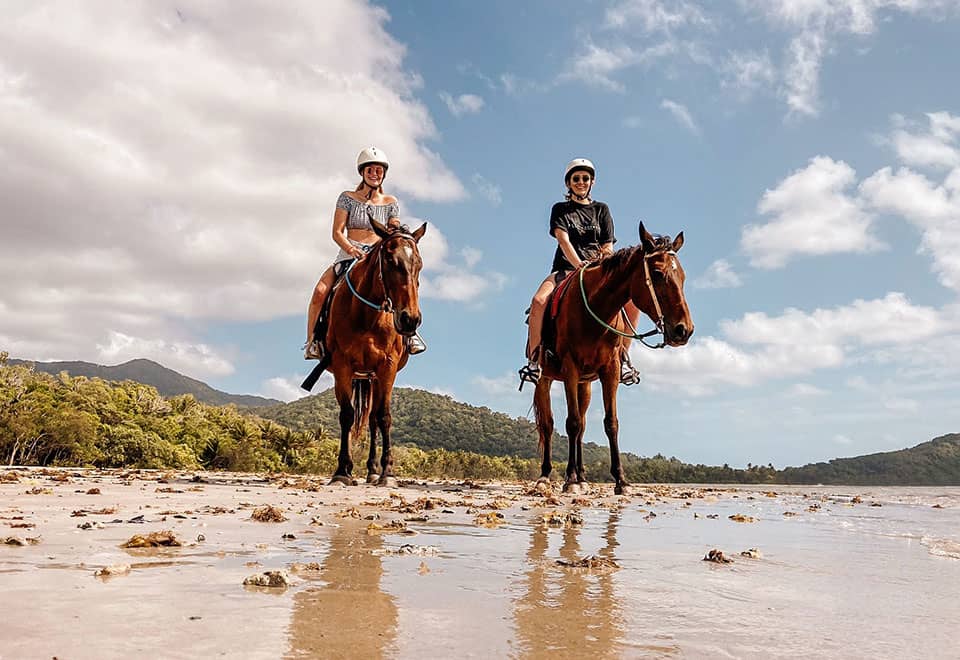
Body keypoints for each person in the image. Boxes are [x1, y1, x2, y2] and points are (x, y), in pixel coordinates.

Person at [518, 157, 640, 387]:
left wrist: (604, 261)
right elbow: (563, 240)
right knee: (538, 301)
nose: (581, 182)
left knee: (631, 302)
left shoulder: (602, 210)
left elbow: (607, 246)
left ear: (592, 182)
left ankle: (623, 358)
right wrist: (579, 265)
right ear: (569, 183)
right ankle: (534, 362)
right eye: (576, 179)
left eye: (585, 178)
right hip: (566, 268)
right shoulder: (560, 209)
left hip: (597, 271)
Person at [304, 147, 426, 361]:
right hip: (350, 253)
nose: (374, 174)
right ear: (362, 172)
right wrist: (352, 249)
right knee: (320, 292)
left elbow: (392, 231)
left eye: (378, 170)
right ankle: (313, 341)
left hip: (378, 256)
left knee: (402, 282)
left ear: (384, 174)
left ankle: (411, 335)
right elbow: (336, 232)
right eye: (370, 170)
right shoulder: (347, 198)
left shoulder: (390, 202)